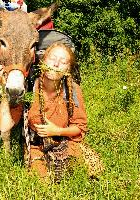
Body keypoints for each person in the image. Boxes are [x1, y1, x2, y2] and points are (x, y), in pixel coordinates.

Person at [26, 42, 104, 181]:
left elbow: (79, 128)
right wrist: (4, 89)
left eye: (63, 62)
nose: (56, 64)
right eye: (52, 59)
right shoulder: (29, 87)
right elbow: (6, 123)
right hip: (36, 147)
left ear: (67, 69)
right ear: (43, 61)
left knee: (92, 171)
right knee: (42, 182)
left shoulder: (72, 91)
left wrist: (56, 131)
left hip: (64, 142)